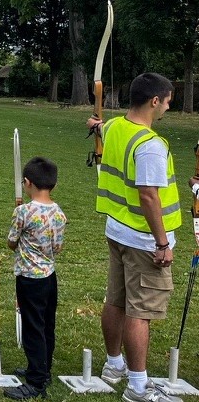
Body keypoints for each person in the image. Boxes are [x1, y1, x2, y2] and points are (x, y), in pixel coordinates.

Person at [87, 73, 182, 402]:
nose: (168, 106)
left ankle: (115, 365)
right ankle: (138, 387)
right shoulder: (150, 145)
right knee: (139, 312)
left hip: (117, 231)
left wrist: (95, 122)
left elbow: (100, 126)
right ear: (154, 101)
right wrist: (162, 243)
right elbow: (148, 196)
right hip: (144, 241)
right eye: (167, 100)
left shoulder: (114, 127)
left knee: (116, 300)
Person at [3, 157, 66, 400]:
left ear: (27, 183)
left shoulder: (23, 211)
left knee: (33, 328)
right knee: (46, 324)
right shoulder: (59, 213)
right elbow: (57, 248)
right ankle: (42, 368)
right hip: (50, 276)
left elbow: (11, 242)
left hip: (30, 278)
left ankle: (36, 381)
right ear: (54, 185)